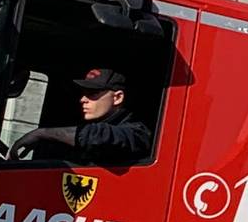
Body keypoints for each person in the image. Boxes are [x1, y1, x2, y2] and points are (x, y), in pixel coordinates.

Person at [14, 68, 152, 167]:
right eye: (83, 93)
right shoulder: (82, 126)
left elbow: (97, 137)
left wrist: (42, 133)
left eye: (93, 93)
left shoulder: (137, 133)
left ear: (117, 98)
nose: (83, 99)